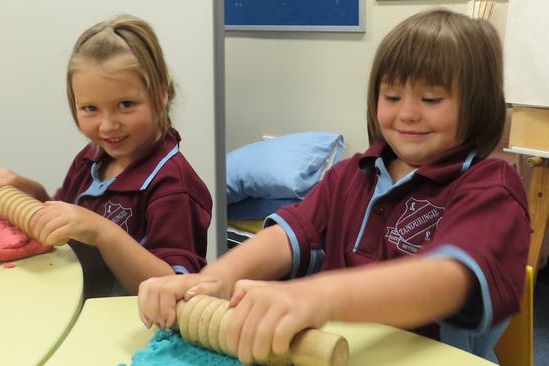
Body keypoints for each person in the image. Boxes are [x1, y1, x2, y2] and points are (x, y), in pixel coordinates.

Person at [138, 9, 530, 363]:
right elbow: (287, 239)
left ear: (477, 104)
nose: (407, 113)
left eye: (431, 99)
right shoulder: (349, 176)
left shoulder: (490, 188)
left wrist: (316, 298)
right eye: (392, 96)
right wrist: (217, 279)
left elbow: (445, 280)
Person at [0, 15, 212, 297]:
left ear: (160, 95)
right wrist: (30, 191)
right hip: (70, 303)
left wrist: (104, 234)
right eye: (90, 109)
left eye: (125, 105)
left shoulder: (174, 186)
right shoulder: (92, 158)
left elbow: (174, 288)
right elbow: (65, 225)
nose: (107, 125)